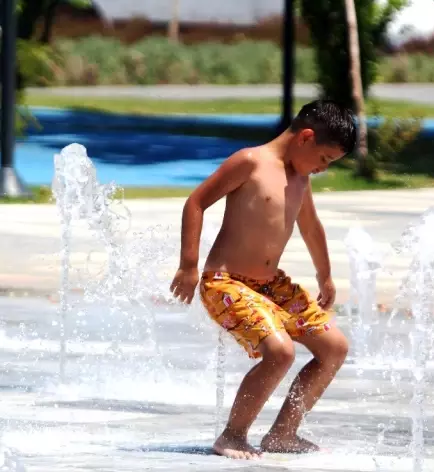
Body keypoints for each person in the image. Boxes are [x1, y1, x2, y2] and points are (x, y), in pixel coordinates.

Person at [170, 100, 356, 460]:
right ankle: (233, 435)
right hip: (226, 283)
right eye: (325, 159)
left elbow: (311, 227)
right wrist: (188, 264)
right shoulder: (250, 162)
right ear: (305, 137)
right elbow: (196, 202)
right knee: (280, 352)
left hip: (271, 284)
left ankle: (283, 434)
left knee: (334, 348)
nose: (322, 169)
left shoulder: (300, 178)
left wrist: (326, 274)